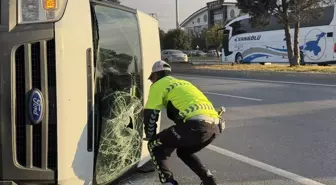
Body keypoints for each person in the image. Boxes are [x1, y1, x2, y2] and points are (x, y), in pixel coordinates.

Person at [143, 60, 224, 185]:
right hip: (215, 127)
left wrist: (151, 136)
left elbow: (150, 114)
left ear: (157, 75)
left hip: (195, 126)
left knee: (154, 145)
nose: (151, 81)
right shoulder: (184, 83)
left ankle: (168, 182)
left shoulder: (159, 85)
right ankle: (208, 181)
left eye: (151, 78)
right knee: (184, 152)